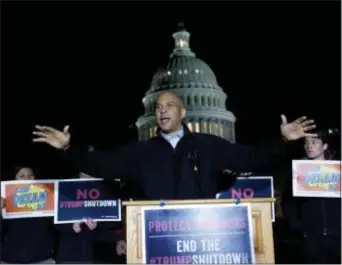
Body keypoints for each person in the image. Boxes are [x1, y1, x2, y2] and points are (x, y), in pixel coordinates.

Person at [32, 91, 316, 200]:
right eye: (157, 107)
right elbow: (102, 164)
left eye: (170, 106)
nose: (162, 110)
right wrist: (69, 149)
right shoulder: (140, 151)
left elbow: (250, 158)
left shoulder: (208, 145)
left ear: (183, 113)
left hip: (201, 235)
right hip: (157, 237)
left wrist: (281, 140)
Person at [282, 130, 341, 264]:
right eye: (306, 143)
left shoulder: (338, 170)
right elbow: (288, 202)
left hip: (337, 236)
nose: (309, 146)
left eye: (314, 142)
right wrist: (296, 223)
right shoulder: (298, 171)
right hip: (310, 237)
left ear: (325, 146)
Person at [1, 166, 56, 264]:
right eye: (22, 176)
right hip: (11, 259)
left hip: (42, 258)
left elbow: (54, 226)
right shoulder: (4, 199)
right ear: (14, 178)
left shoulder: (46, 197)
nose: (26, 179)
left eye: (30, 176)